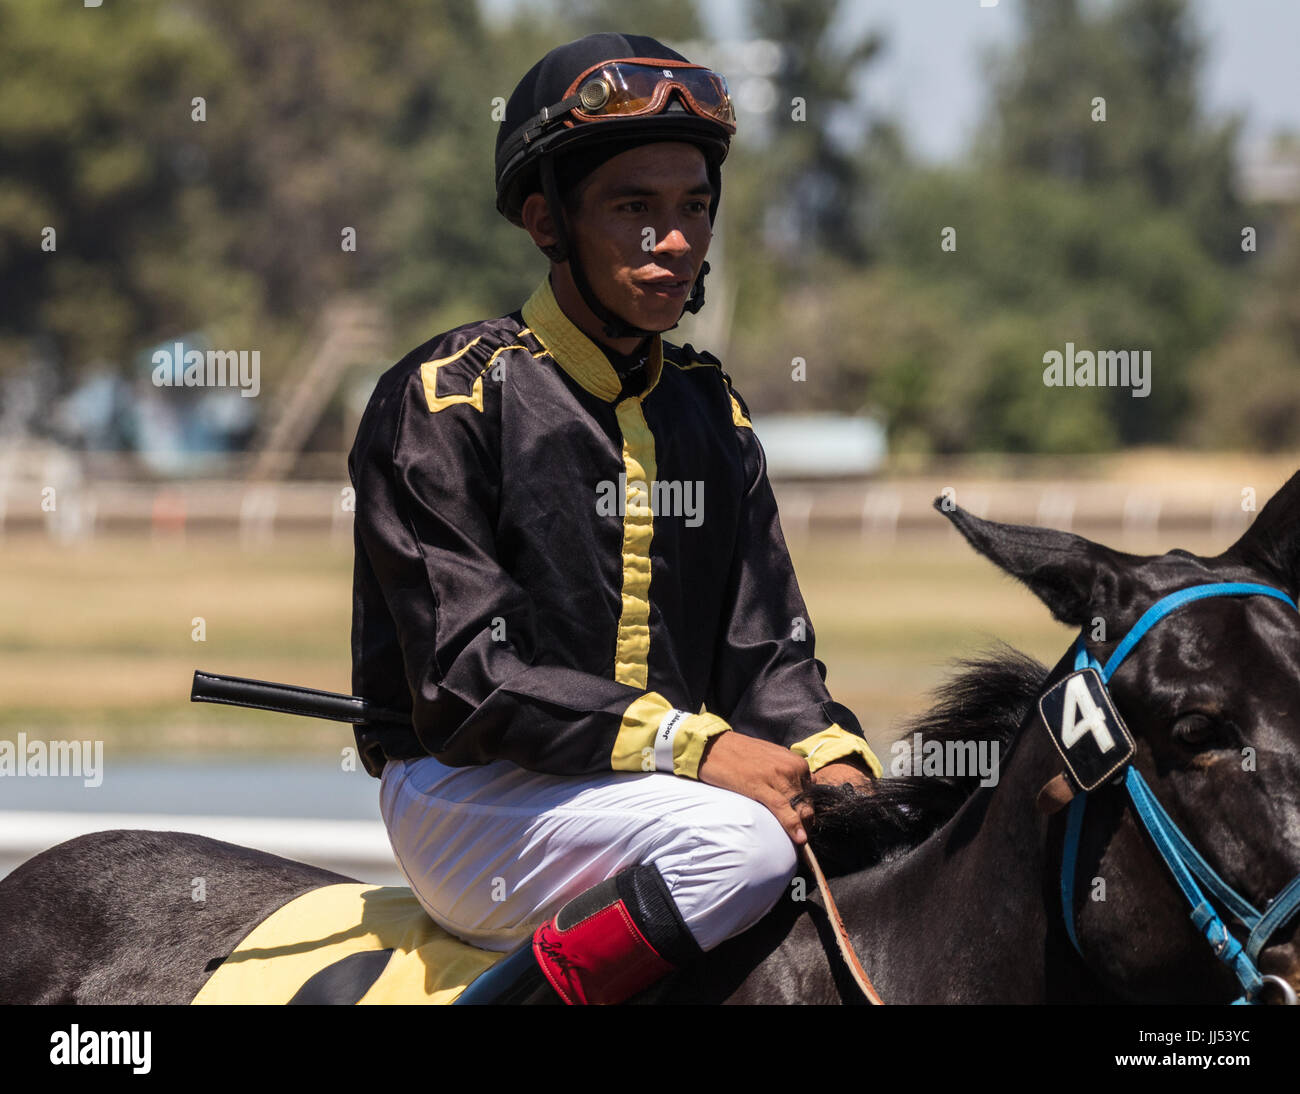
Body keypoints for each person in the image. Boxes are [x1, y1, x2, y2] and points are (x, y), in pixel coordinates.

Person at [347, 31, 881, 1005]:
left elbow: (765, 654)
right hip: (473, 789)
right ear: (548, 221)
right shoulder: (444, 397)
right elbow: (472, 680)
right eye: (633, 209)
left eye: (692, 208)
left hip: (662, 791)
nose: (672, 240)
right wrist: (698, 745)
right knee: (745, 848)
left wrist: (836, 763)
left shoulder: (708, 409)